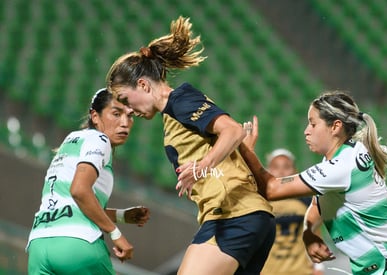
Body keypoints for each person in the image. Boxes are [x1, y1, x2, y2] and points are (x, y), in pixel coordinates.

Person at [105, 16, 275, 275]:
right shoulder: (174, 113)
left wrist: (202, 166)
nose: (129, 109)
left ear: (142, 84)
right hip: (251, 218)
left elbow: (232, 130)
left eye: (126, 99)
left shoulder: (180, 100)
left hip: (232, 216)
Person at [240, 91, 387, 275]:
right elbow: (317, 206)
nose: (306, 130)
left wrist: (246, 150)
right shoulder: (346, 155)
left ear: (335, 127)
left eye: (313, 124)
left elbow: (271, 188)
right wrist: (308, 233)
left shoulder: (340, 167)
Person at [26, 88, 150, 274]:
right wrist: (116, 233)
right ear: (95, 116)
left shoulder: (72, 139)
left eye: (130, 116)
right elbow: (79, 190)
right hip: (77, 244)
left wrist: (122, 216)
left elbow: (72, 205)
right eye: (116, 114)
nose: (125, 123)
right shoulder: (99, 139)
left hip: (39, 246)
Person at [261, 148, 324, 275]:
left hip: (300, 271)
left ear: (295, 171)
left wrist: (318, 267)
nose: (281, 171)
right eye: (275, 167)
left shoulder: (307, 202)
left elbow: (315, 234)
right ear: (268, 171)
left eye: (286, 166)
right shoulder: (260, 202)